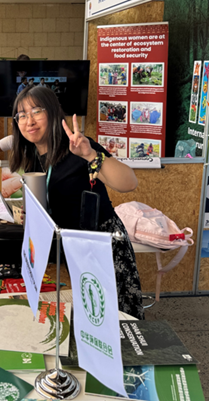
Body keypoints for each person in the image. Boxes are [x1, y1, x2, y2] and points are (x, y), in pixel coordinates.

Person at [9, 86, 144, 319]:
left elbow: (129, 183)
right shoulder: (32, 158)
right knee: (88, 318)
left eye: (36, 111)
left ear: (52, 112)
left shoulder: (78, 147)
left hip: (102, 245)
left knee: (117, 320)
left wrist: (90, 155)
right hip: (72, 247)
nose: (29, 120)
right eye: (21, 115)